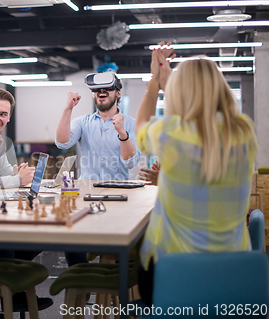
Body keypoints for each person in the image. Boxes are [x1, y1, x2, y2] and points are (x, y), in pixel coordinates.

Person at [135, 42, 258, 305]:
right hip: (233, 277)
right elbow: (201, 124)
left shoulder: (170, 132)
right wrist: (171, 82)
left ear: (180, 93)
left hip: (173, 274)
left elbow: (141, 128)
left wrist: (155, 83)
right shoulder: (243, 131)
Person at [55, 72, 141, 181]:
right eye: (97, 88)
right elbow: (62, 143)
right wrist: (68, 109)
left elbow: (131, 162)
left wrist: (122, 133)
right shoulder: (83, 122)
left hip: (118, 190)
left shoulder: (131, 124)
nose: (101, 90)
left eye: (107, 87)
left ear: (118, 93)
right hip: (87, 189)